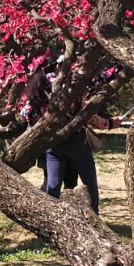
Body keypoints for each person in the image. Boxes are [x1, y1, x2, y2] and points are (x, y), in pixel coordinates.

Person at [22, 53, 115, 212]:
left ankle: (50, 220)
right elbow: (98, 81)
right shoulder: (71, 83)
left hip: (52, 143)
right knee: (89, 183)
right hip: (75, 140)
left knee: (53, 186)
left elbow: (26, 113)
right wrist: (119, 67)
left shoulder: (40, 84)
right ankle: (94, 217)